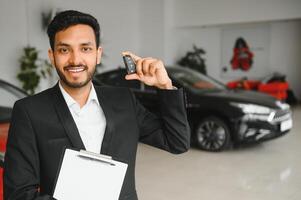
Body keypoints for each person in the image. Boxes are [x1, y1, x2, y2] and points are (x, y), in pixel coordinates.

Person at [3, 10, 190, 200]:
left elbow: (177, 142)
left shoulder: (124, 100)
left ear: (98, 54)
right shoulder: (29, 111)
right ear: (52, 56)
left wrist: (165, 87)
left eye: (85, 49)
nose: (75, 60)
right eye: (64, 50)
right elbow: (18, 194)